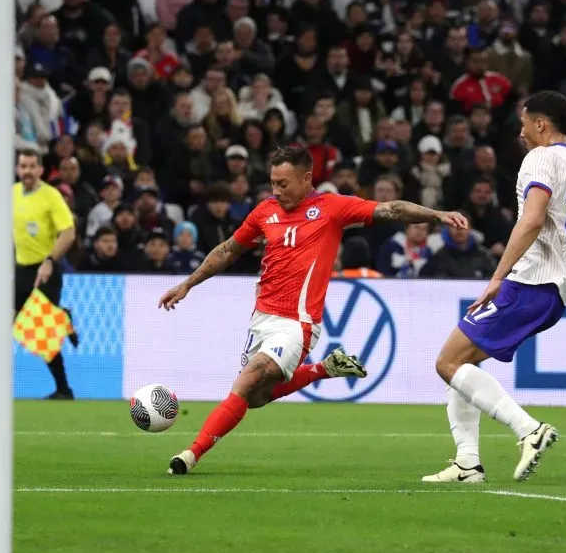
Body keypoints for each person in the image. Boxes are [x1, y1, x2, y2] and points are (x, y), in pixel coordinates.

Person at [159, 145, 468, 474]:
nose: (277, 191)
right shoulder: (265, 212)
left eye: (284, 184)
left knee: (248, 380)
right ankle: (325, 369)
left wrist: (436, 215)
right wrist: (188, 284)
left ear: (306, 178)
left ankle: (190, 455)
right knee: (257, 397)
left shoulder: (332, 208)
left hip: (298, 323)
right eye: (273, 184)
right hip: (262, 318)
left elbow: (390, 210)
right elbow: (227, 250)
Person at [424, 91, 566, 484]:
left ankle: (528, 430)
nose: (520, 132)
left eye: (524, 123)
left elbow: (532, 219)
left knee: (447, 363)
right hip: (555, 293)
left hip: (527, 281)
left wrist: (498, 276)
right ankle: (467, 463)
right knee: (462, 362)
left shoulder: (542, 157)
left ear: (540, 124)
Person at [13, 148, 78, 400]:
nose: (27, 171)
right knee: (19, 326)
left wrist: (50, 260)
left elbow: (68, 233)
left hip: (46, 271)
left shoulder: (51, 196)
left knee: (43, 333)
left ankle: (64, 389)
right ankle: (63, 317)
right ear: (18, 169)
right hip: (21, 269)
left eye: (32, 166)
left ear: (40, 170)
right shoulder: (12, 194)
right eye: (23, 166)